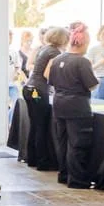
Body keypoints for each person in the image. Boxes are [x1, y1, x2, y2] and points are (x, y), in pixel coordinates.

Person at [45, 24, 99, 189]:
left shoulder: (58, 59)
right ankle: (77, 180)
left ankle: (64, 174)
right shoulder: (82, 62)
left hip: (59, 104)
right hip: (77, 107)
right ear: (82, 43)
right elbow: (91, 85)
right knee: (77, 143)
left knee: (62, 142)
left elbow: (51, 81)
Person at [21, 26, 68, 171]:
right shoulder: (55, 52)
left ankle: (32, 158)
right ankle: (42, 161)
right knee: (41, 125)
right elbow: (48, 74)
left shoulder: (43, 49)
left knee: (35, 124)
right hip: (39, 91)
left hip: (29, 88)